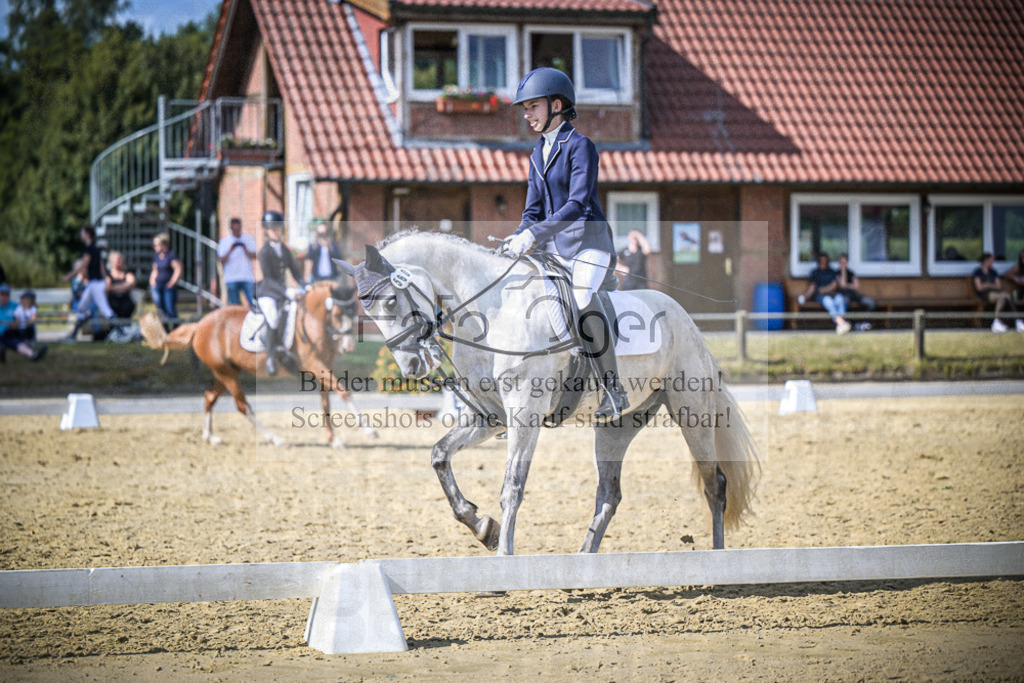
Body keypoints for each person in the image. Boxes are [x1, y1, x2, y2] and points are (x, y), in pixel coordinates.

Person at [501, 67, 628, 419]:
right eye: (525, 108)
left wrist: (536, 234)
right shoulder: (536, 153)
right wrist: (519, 236)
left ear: (556, 105)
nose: (526, 114)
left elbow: (578, 205)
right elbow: (532, 211)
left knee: (581, 295)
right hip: (555, 247)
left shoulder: (581, 146)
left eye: (532, 106)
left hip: (589, 243)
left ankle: (613, 389)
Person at [254, 210, 304, 376]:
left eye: (278, 228)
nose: (276, 231)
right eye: (272, 229)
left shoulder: (284, 249)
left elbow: (295, 271)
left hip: (283, 292)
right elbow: (268, 279)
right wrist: (286, 290)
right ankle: (270, 358)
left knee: (294, 314)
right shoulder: (264, 252)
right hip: (267, 292)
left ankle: (288, 351)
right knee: (273, 318)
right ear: (266, 231)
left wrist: (305, 285)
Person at [63, 226, 118, 341]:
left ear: (87, 234)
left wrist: (68, 276)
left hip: (95, 284)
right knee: (82, 309)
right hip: (93, 284)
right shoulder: (94, 248)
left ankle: (121, 332)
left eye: (82, 233)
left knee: (106, 311)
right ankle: (73, 335)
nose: (81, 235)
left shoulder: (91, 249)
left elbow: (83, 266)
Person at [798, 252, 852, 334]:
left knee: (840, 298)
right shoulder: (815, 273)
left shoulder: (831, 272)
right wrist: (805, 297)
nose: (823, 262)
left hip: (833, 294)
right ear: (818, 261)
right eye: (821, 260)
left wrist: (825, 289)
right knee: (828, 301)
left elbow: (835, 285)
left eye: (825, 260)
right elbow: (813, 288)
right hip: (821, 297)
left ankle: (840, 325)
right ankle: (841, 323)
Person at [972, 252, 1023, 333]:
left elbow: (998, 286)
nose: (993, 262)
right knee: (1005, 296)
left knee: (1006, 296)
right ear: (986, 261)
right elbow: (980, 288)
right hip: (985, 294)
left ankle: (999, 322)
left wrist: (987, 284)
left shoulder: (993, 272)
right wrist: (991, 285)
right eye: (991, 260)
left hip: (996, 293)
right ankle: (1016, 321)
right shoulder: (978, 272)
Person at [217, 217, 258, 306]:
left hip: (247, 276)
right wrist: (231, 250)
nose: (236, 231)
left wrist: (245, 249)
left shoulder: (248, 239)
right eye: (234, 229)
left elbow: (255, 256)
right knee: (234, 305)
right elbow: (221, 260)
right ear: (231, 228)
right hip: (231, 277)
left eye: (238, 229)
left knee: (253, 304)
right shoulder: (224, 241)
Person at [1, 284, 47, 362]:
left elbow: (26, 312)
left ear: (9, 295)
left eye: (7, 294)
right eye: (2, 294)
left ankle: (33, 355)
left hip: (10, 334)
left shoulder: (15, 306)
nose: (4, 297)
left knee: (18, 343)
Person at [149, 233, 182, 328]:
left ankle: (177, 331)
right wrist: (152, 281)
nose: (154, 247)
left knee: (170, 310)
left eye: (156, 244)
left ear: (164, 244)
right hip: (158, 286)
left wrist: (172, 282)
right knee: (161, 311)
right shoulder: (156, 256)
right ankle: (166, 332)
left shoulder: (171, 255)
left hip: (168, 288)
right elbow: (155, 270)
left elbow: (178, 268)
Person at [836, 253, 876, 331]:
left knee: (871, 302)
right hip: (844, 295)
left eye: (844, 262)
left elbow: (857, 286)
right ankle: (854, 324)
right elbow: (842, 285)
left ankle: (866, 323)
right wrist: (843, 271)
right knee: (847, 303)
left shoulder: (851, 273)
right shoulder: (837, 273)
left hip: (853, 294)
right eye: (841, 262)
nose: (843, 264)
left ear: (847, 262)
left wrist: (848, 285)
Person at [105, 251, 137, 320]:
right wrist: (124, 287)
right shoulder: (108, 274)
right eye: (117, 259)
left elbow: (131, 284)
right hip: (113, 302)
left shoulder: (127, 273)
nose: (119, 261)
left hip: (126, 302)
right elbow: (107, 287)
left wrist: (114, 287)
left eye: (120, 259)